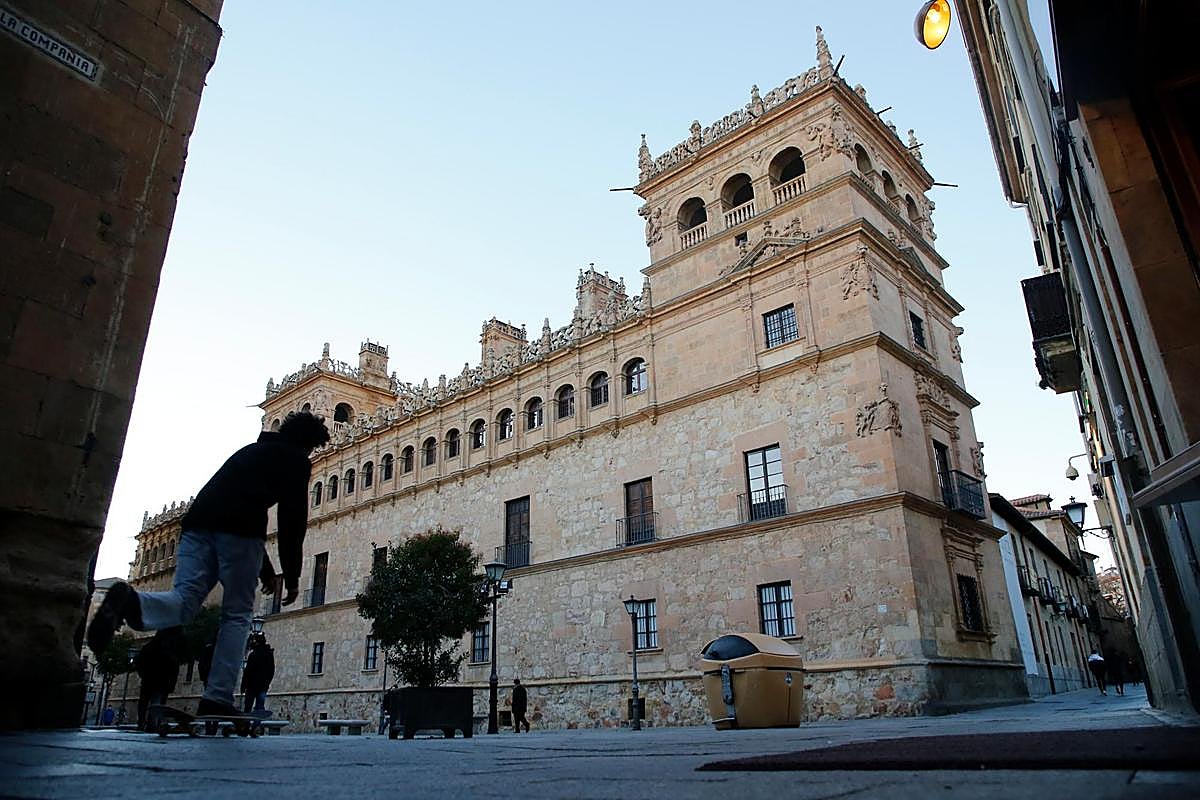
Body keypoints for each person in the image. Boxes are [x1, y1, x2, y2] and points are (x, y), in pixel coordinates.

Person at [87, 411, 330, 718]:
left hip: (196, 527)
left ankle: (130, 601)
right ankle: (217, 697)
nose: (310, 455)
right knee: (238, 614)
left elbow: (238, 503)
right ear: (306, 443)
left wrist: (266, 569)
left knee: (185, 601)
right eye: (311, 448)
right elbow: (291, 520)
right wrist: (291, 576)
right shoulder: (295, 460)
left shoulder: (250, 452)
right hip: (239, 532)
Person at [134, 628, 184, 730]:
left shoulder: (147, 648)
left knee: (144, 702)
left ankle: (141, 723)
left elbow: (138, 662)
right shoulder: (169, 652)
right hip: (161, 683)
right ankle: (152, 724)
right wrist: (170, 684)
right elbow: (174, 669)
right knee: (157, 703)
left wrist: (143, 674)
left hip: (148, 681)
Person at [241, 633, 275, 715]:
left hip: (251, 686)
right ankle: (257, 726)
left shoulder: (253, 655)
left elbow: (247, 671)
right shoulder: (269, 654)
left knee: (248, 707)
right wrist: (267, 682)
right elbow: (271, 670)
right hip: (263, 686)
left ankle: (246, 725)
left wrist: (243, 685)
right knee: (260, 707)